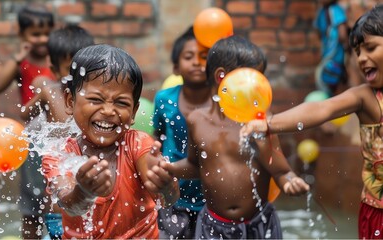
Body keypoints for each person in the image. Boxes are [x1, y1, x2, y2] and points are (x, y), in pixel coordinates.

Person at [241, 5, 383, 239]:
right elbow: (321, 108)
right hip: (377, 211)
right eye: (357, 52)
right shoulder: (365, 97)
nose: (362, 58)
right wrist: (269, 123)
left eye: (370, 48)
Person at [167, 36, 310, 239]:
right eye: (252, 79)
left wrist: (289, 181)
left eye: (261, 78)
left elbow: (280, 170)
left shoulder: (258, 123)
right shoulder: (196, 120)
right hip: (212, 226)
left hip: (258, 225)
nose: (259, 86)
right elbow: (195, 165)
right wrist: (169, 169)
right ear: (221, 76)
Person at [42, 44, 180, 239]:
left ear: (133, 112)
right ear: (70, 102)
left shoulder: (138, 145)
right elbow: (69, 205)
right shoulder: (59, 154)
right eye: (96, 100)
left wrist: (167, 186)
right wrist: (83, 193)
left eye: (121, 103)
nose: (108, 111)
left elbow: (168, 199)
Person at [21, 25, 94, 239]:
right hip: (56, 166)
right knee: (43, 207)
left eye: (82, 69)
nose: (76, 76)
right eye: (69, 69)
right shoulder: (50, 91)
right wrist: (39, 97)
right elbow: (24, 113)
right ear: (53, 68)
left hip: (81, 167)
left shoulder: (92, 97)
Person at [0, 3, 55, 238]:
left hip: (58, 136)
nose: (42, 39)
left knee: (57, 198)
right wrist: (16, 59)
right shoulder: (23, 63)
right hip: (32, 140)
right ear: (22, 34)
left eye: (47, 33)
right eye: (35, 34)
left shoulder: (57, 61)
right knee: (33, 202)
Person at [151, 26, 210, 239]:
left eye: (204, 57)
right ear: (176, 67)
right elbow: (158, 134)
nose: (196, 62)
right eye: (188, 56)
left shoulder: (220, 103)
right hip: (173, 194)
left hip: (211, 197)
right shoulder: (164, 99)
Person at [314, 0, 348, 96]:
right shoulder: (322, 12)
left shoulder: (334, 10)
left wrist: (346, 47)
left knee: (330, 80)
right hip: (331, 54)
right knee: (328, 81)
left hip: (335, 55)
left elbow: (342, 34)